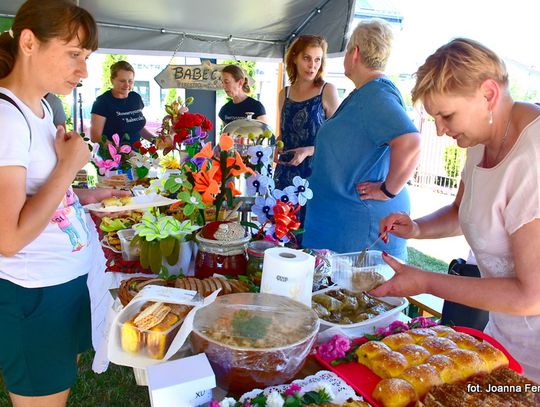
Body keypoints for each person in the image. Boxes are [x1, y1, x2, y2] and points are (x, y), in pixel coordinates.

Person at [372, 38, 540, 382]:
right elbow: (462, 212)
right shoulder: (482, 140)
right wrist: (416, 228)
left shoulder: (533, 158)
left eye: (446, 115)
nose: (440, 129)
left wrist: (426, 281)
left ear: (488, 94)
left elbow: (531, 296)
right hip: (504, 339)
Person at [0, 1, 127, 405]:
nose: (84, 70)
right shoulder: (6, 118)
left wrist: (85, 195)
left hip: (60, 283)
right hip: (33, 293)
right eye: (74, 54)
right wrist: (69, 166)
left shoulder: (37, 110)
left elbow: (38, 196)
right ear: (29, 42)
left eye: (86, 57)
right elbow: (8, 237)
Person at [302, 20, 420, 259]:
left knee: (357, 294)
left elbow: (410, 142)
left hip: (359, 231)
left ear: (354, 53)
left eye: (347, 50)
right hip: (344, 224)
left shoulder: (376, 94)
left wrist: (387, 191)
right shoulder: (365, 93)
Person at [274, 35, 340, 190]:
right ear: (295, 58)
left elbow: (339, 140)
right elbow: (283, 134)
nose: (312, 65)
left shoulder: (327, 90)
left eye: (317, 59)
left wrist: (308, 151)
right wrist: (277, 145)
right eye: (307, 58)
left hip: (315, 175)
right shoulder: (285, 93)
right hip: (284, 174)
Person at [90, 60, 154, 145]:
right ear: (112, 80)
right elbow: (96, 137)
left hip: (136, 155)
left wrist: (155, 140)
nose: (127, 85)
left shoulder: (135, 98)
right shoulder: (102, 102)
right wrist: (120, 151)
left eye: (130, 81)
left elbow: (137, 127)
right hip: (112, 156)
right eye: (122, 81)